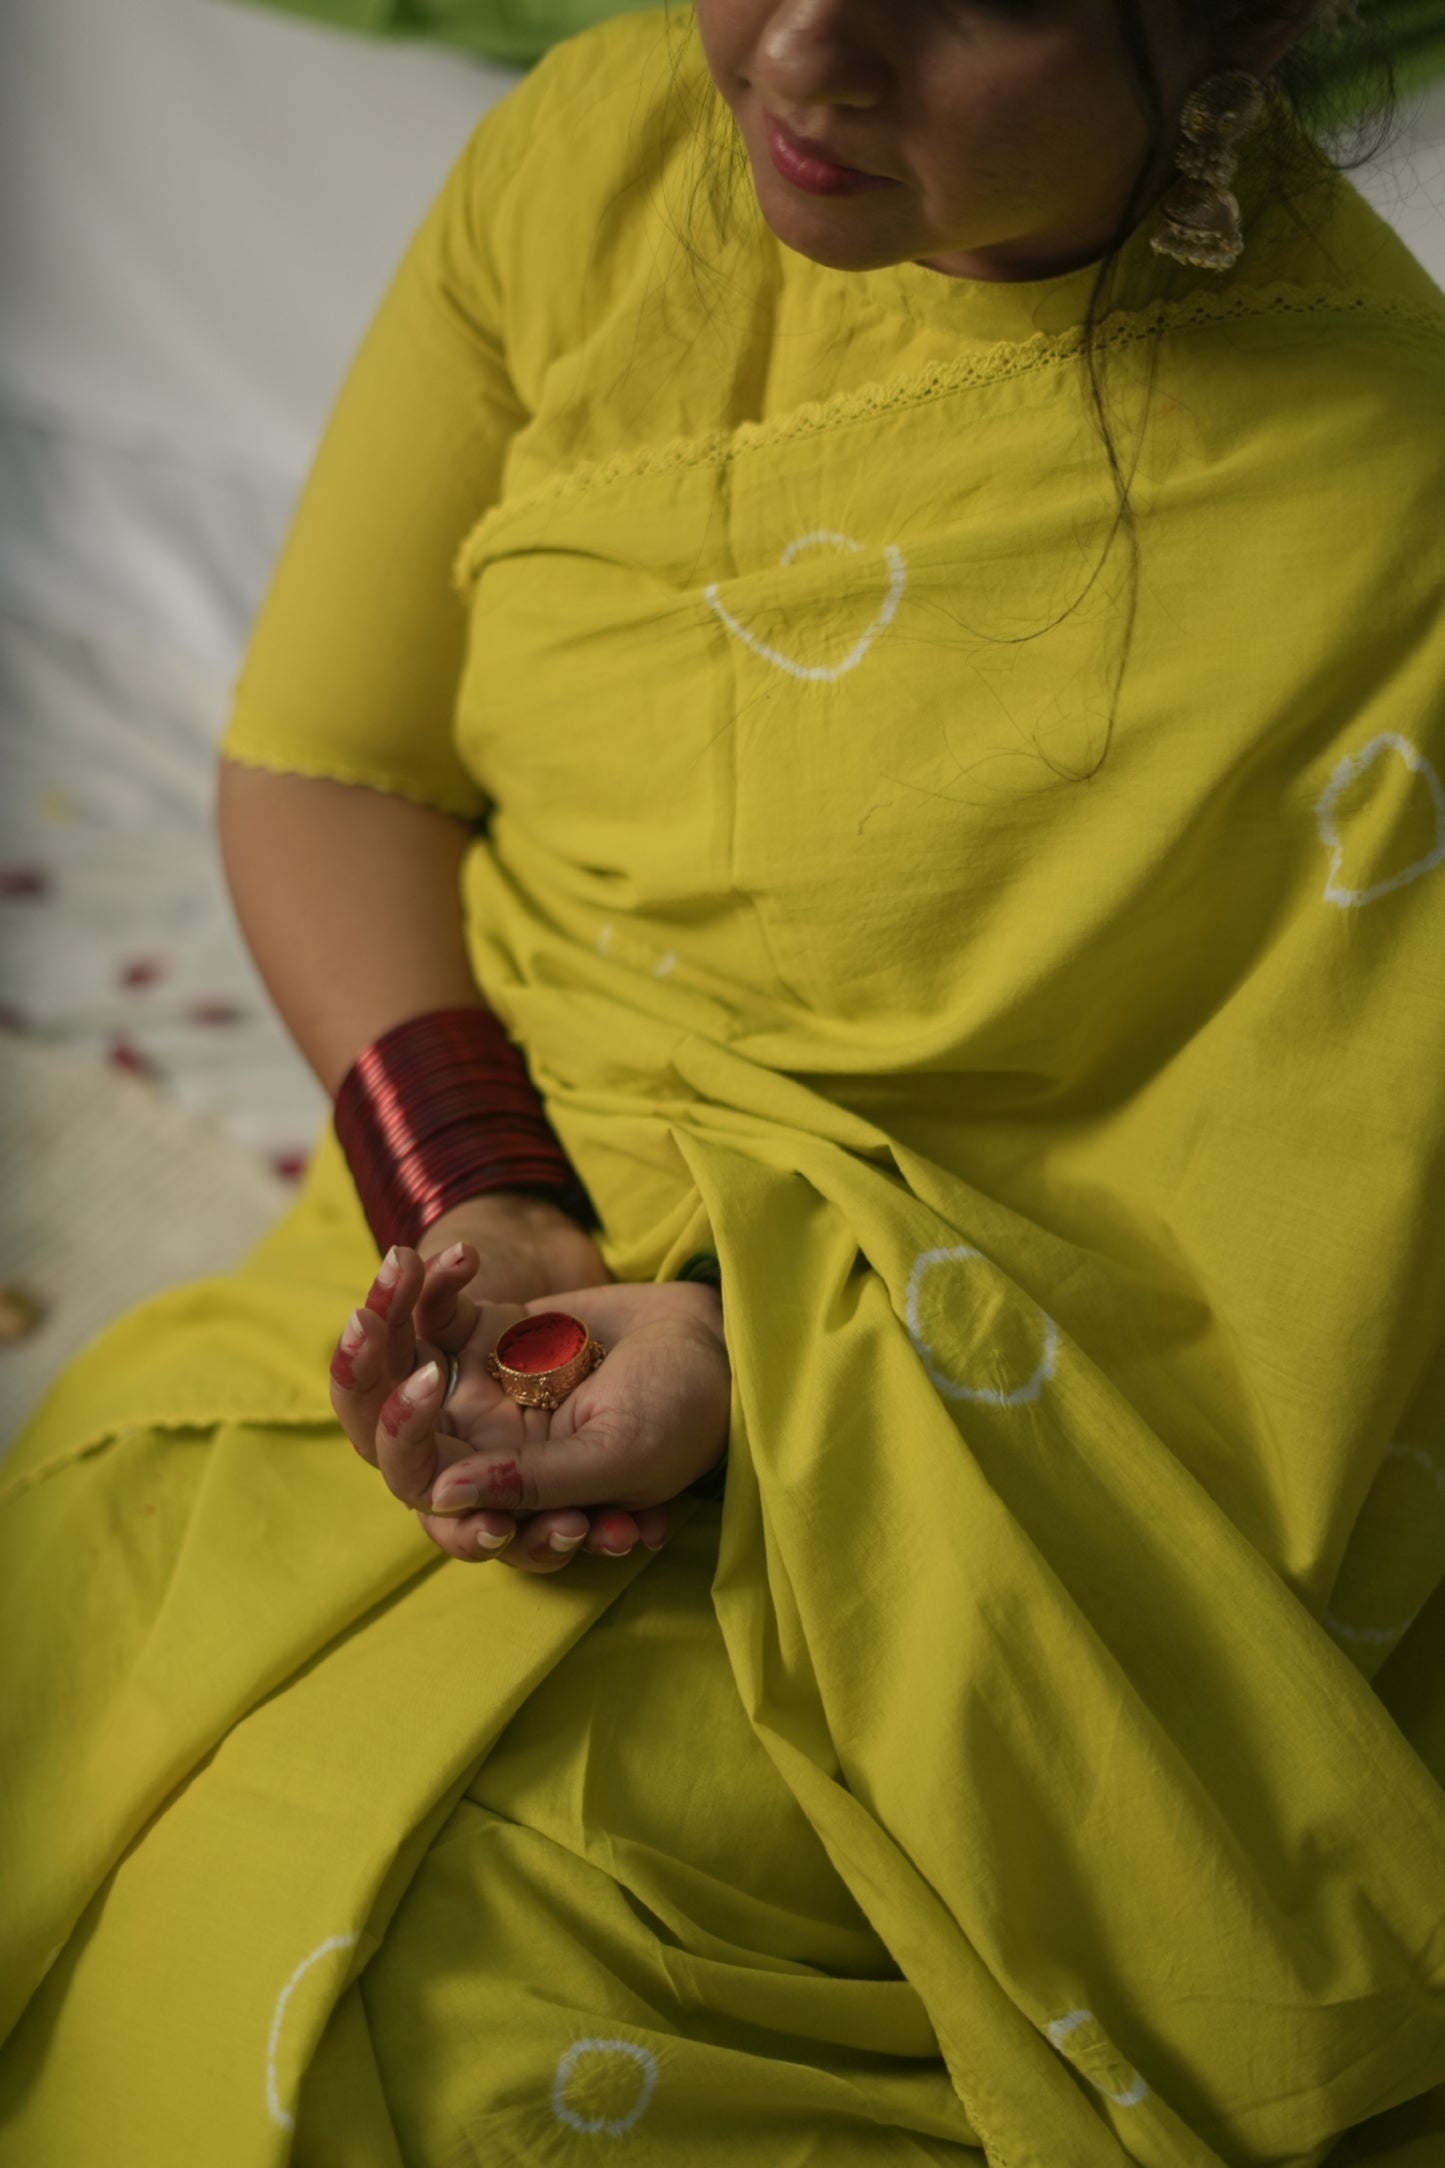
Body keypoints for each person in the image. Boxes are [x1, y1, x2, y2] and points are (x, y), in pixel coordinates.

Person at [2, 0, 1444, 2159]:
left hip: (978, 1516)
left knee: (461, 2015)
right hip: (442, 1274)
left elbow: (1299, 1300)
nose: (798, 51)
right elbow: (332, 763)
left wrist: (759, 1395)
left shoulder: (1391, 511)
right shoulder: (596, 154)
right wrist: (479, 1216)